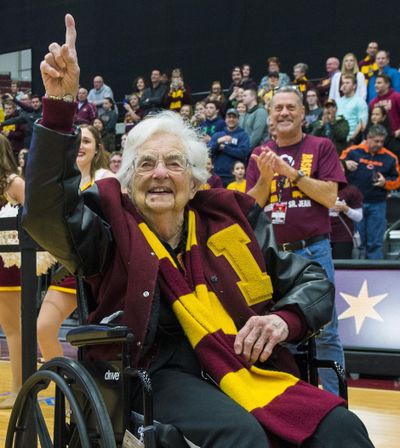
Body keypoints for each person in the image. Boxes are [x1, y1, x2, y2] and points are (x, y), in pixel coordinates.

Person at [24, 15, 374, 448]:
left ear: (195, 182)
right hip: (155, 371)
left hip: (243, 358)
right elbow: (44, 213)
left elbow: (311, 280)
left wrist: (283, 321)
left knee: (343, 428)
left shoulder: (231, 218)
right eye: (146, 164)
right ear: (129, 181)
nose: (160, 174)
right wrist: (59, 106)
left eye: (174, 163)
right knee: (240, 436)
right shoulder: (108, 221)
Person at [246, 86, 347, 396]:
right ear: (270, 117)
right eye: (278, 108)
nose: (285, 113)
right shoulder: (259, 155)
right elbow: (248, 210)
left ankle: (334, 404)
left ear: (303, 113)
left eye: (291, 107)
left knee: (326, 330)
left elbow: (330, 197)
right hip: (275, 257)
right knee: (278, 327)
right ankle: (293, 402)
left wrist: (291, 173)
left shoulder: (321, 146)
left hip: (314, 249)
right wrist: (265, 179)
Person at [36, 125, 115, 361]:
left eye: (87, 141)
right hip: (69, 269)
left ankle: (96, 388)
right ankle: (66, 385)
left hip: (101, 271)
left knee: (97, 337)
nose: (81, 146)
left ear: (97, 148)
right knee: (44, 327)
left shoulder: (107, 179)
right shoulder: (60, 182)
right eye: (77, 141)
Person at [340, 124, 400, 259]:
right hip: (354, 205)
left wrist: (386, 183)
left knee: (375, 243)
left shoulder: (390, 158)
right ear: (368, 138)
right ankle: (355, 273)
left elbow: (397, 180)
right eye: (376, 141)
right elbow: (336, 167)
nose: (379, 144)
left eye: (382, 142)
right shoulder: (352, 152)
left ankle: (376, 274)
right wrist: (344, 164)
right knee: (357, 243)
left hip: (377, 204)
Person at [0, 134, 25, 409]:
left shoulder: (14, 183)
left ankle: (19, 387)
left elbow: (35, 216)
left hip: (7, 264)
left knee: (12, 328)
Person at [208, 108, 250, 186]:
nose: (231, 119)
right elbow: (208, 151)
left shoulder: (243, 135)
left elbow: (243, 153)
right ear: (225, 119)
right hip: (217, 176)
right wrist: (218, 142)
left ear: (238, 119)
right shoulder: (218, 135)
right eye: (229, 117)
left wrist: (225, 148)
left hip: (234, 177)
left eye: (234, 117)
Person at [335, 74, 368, 143]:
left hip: (353, 140)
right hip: (338, 139)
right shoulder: (337, 102)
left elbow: (362, 124)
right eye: (343, 83)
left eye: (347, 83)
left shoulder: (360, 102)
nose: (344, 85)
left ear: (354, 86)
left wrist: (352, 139)